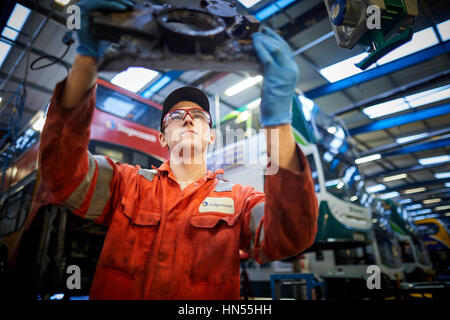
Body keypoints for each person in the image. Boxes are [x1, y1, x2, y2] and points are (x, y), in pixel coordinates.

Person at [38, 0, 318, 299]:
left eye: (198, 116)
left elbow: (291, 236)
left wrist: (278, 117)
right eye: (175, 116)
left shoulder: (241, 201)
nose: (187, 117)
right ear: (162, 138)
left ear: (211, 137)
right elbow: (62, 174)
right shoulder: (126, 184)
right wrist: (86, 63)